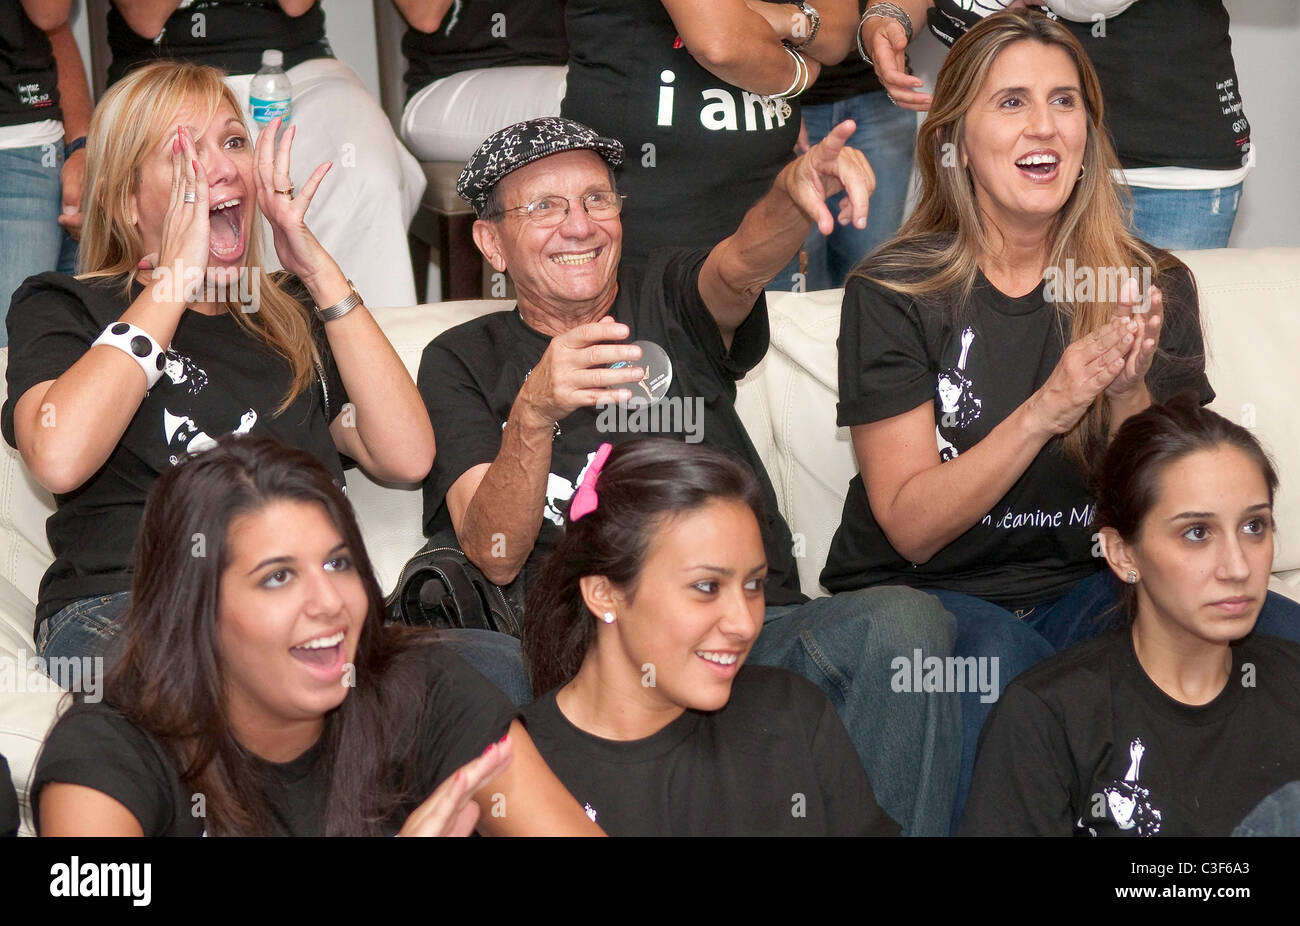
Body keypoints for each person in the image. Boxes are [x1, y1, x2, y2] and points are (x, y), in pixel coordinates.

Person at [821, 9, 1300, 832]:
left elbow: (1172, 508)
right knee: (1003, 666)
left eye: (1064, 101)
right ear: (955, 140)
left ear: (1090, 131)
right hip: (935, 592)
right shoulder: (896, 292)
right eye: (1010, 103)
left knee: (1278, 631)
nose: (1044, 125)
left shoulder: (1148, 281)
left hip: (1088, 584)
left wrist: (1125, 395)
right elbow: (911, 525)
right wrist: (1048, 407)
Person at [418, 114, 962, 837]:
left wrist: (791, 198)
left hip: (744, 625)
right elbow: (493, 555)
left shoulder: (668, 296)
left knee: (904, 625)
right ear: (491, 240)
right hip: (579, 652)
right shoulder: (462, 358)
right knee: (454, 673)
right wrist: (534, 412)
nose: (578, 225)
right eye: (544, 207)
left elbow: (739, 264)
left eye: (596, 200)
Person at [1, 61, 435, 664]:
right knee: (241, 692)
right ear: (128, 201)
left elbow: (408, 456)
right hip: (136, 605)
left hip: (301, 605)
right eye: (185, 153)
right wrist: (176, 278)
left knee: (489, 670)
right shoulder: (66, 304)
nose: (224, 167)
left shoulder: (289, 311)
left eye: (233, 141)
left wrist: (317, 270)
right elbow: (59, 456)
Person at [32, 435, 602, 836]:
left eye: (338, 564)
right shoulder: (107, 754)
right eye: (277, 577)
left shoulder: (428, 693)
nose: (329, 603)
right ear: (193, 607)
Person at [521, 439, 900, 835]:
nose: (744, 623)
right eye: (706, 586)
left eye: (753, 584)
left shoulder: (794, 718)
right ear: (604, 594)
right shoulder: (517, 772)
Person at [961, 397, 1300, 836]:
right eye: (1197, 533)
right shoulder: (1048, 717)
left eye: (1254, 527)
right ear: (1121, 553)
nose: (1237, 567)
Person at [105, 0, 426, 307]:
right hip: (161, 74)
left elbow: (296, 5)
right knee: (189, 178)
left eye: (234, 144)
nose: (225, 169)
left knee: (366, 172)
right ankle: (215, 326)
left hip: (293, 67)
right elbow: (146, 17)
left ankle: (364, 339)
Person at [860, 0, 1254, 249]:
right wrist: (886, 15)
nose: (1045, 125)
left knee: (1152, 354)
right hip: (1006, 159)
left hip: (1167, 166)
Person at [561, 0, 860, 267]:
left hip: (766, 218)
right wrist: (802, 73)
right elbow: (721, 45)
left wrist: (782, 18)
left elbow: (840, 34)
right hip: (647, 221)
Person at [0, 1, 93, 340]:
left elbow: (51, 21)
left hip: (30, 138)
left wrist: (81, 145)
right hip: (19, 150)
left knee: (33, 350)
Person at [395, 0, 569, 162]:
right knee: (582, 95)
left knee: (587, 89)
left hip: (561, 68)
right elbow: (425, 16)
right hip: (447, 86)